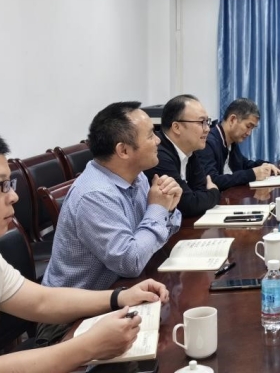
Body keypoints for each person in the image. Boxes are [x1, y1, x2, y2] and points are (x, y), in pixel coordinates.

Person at [0, 127, 170, 372]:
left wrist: (120, 297)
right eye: (1, 185)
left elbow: (41, 302)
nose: (13, 196)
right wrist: (88, 347)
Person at [43, 101, 183, 292]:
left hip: (122, 289)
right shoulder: (95, 196)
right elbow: (131, 263)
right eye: (151, 135)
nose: (158, 140)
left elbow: (163, 233)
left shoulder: (137, 176)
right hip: (78, 305)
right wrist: (158, 209)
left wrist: (169, 208)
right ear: (123, 150)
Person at [144, 94, 220, 217]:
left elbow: (201, 189)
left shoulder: (191, 151)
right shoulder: (158, 155)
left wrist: (205, 195)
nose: (207, 129)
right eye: (201, 122)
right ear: (176, 127)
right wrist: (214, 192)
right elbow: (188, 205)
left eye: (207, 122)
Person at [197, 98, 280, 191]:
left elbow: (244, 164)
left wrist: (265, 165)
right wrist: (252, 174)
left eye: (252, 129)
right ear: (232, 120)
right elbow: (212, 180)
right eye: (248, 126)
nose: (249, 133)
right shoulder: (207, 142)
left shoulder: (232, 141)